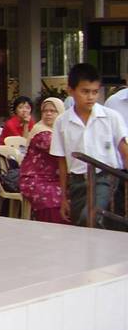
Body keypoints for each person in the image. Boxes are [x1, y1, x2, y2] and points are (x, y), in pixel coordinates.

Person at [50, 63, 128, 227]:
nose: (91, 97)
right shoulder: (62, 122)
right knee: (81, 227)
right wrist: (64, 197)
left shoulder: (111, 117)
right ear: (71, 91)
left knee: (90, 217)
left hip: (105, 179)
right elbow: (62, 162)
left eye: (95, 92)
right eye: (85, 91)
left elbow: (124, 151)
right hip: (77, 183)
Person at [19, 97, 67, 223]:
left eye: (53, 111)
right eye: (45, 111)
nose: (48, 114)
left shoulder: (60, 130)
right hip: (36, 179)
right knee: (54, 196)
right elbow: (59, 149)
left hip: (56, 178)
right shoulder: (41, 132)